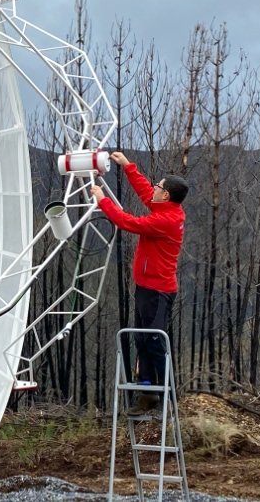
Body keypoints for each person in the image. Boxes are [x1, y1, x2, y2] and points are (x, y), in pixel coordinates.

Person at [90, 151, 188, 414]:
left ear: (166, 195)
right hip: (146, 288)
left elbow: (127, 222)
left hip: (158, 292)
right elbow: (146, 193)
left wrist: (102, 201)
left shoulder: (166, 220)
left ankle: (168, 398)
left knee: (154, 341)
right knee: (142, 341)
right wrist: (128, 167)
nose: (154, 189)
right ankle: (147, 392)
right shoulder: (166, 208)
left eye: (159, 187)